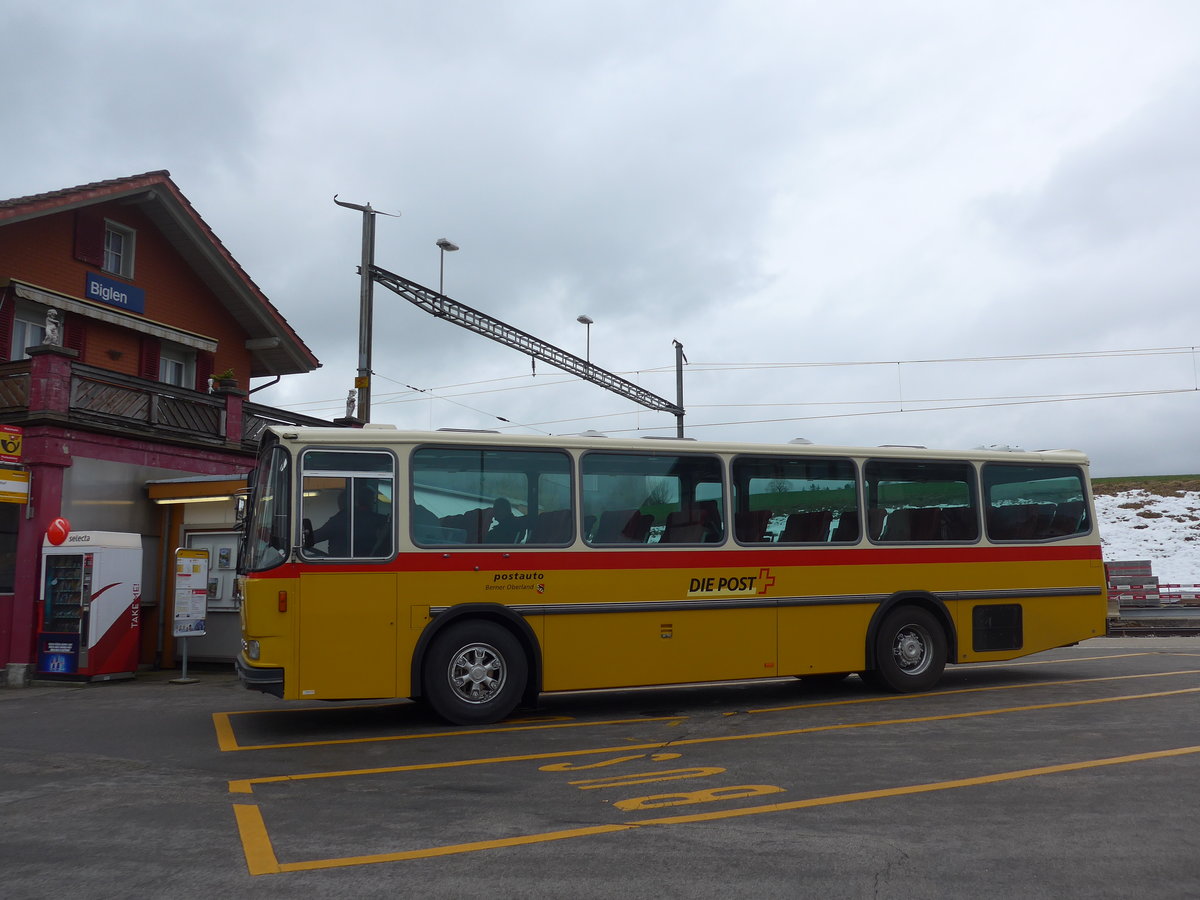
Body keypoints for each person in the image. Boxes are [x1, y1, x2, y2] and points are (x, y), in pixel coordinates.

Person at [311, 483, 390, 556]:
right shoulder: (381, 520)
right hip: (372, 566)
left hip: (342, 566)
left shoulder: (339, 520)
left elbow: (313, 538)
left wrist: (302, 537)